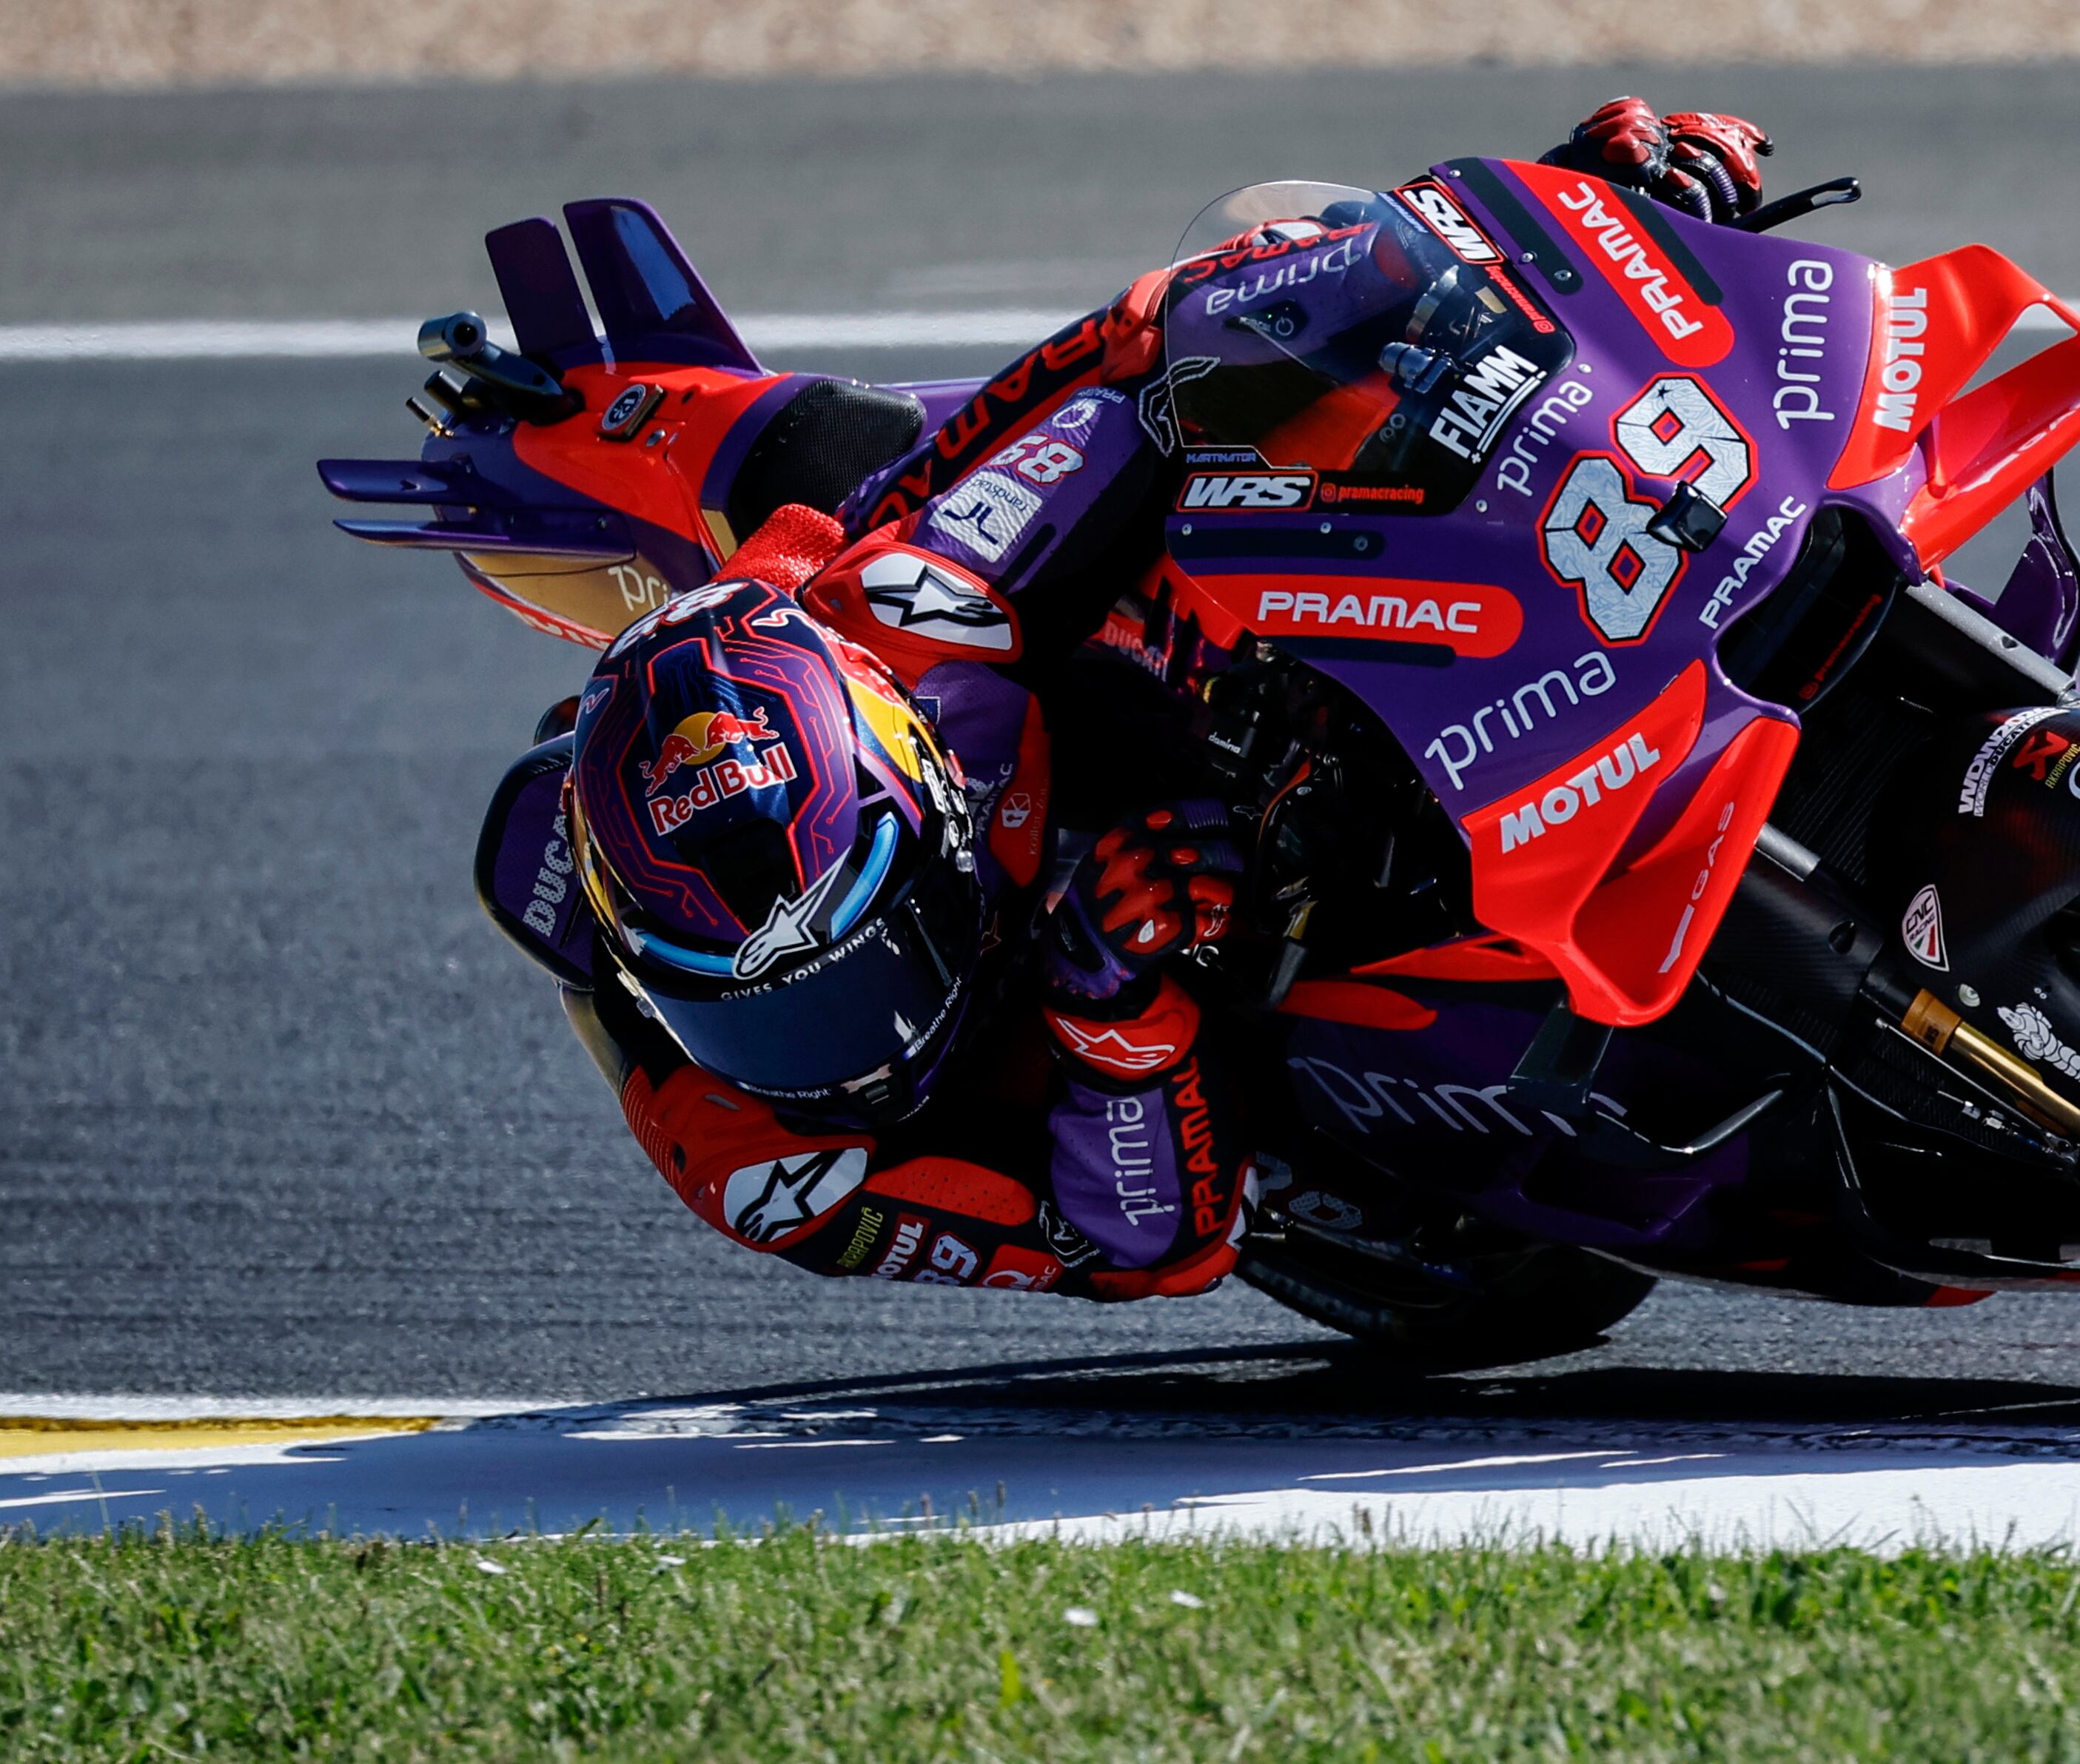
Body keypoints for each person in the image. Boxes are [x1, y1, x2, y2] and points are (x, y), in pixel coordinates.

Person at [469, 101, 1773, 1298]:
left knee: (1221, 391)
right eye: (759, 1017)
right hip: (1142, 1023)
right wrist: (1113, 1014)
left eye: (858, 973)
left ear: (917, 786)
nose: (843, 1050)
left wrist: (1567, 220)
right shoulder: (759, 1163)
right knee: (1260, 1152)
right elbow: (1134, 1249)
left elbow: (1145, 346)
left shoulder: (925, 619)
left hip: (961, 631)